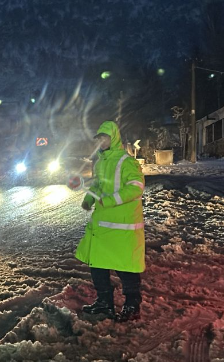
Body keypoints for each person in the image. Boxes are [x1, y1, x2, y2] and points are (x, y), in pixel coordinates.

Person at [75, 120, 145, 322]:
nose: (102, 141)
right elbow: (98, 185)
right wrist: (89, 199)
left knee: (125, 267)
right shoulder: (101, 161)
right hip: (103, 225)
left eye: (105, 137)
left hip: (122, 226)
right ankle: (104, 302)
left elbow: (136, 187)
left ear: (113, 138)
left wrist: (110, 201)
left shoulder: (126, 161)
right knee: (97, 264)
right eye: (99, 138)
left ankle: (132, 306)